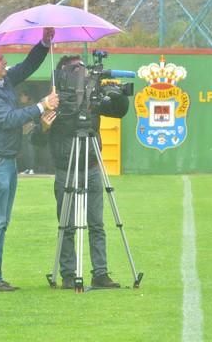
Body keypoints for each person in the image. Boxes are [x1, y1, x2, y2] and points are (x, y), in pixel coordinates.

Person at [0, 27, 59, 292]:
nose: (5, 61)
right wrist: (42, 106)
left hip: (5, 161)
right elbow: (9, 120)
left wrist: (44, 42)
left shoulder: (2, 80)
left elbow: (28, 65)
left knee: (0, 222)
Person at [34, 55, 129, 289]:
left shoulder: (91, 99)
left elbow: (118, 111)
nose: (82, 74)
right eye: (76, 70)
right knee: (66, 225)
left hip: (92, 166)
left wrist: (116, 94)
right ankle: (68, 274)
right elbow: (35, 139)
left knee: (97, 223)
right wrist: (44, 126)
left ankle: (100, 273)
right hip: (67, 168)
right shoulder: (55, 101)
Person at [18, 91, 36, 174]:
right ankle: (27, 168)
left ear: (27, 96)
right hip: (24, 131)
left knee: (30, 150)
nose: (20, 98)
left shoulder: (32, 105)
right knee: (25, 150)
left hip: (31, 131)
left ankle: (31, 168)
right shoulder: (22, 106)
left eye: (22, 96)